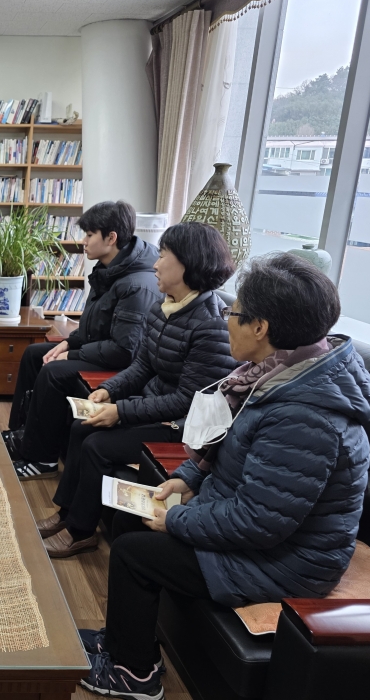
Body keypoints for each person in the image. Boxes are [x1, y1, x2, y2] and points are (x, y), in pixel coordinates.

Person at [75, 252, 370, 700]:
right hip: (257, 526)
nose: (225, 322)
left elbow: (261, 522)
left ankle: (135, 675)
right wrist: (187, 479)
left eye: (231, 314)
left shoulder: (304, 417)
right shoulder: (277, 373)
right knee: (129, 518)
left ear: (261, 328)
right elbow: (227, 446)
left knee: (134, 553)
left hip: (289, 560)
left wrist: (177, 519)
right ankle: (124, 643)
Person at [38, 222, 238, 559]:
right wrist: (109, 391)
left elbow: (188, 401)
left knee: (98, 445)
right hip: (154, 405)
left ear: (187, 264)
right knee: (81, 426)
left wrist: (121, 411)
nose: (155, 265)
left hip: (184, 425)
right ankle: (66, 514)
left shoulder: (211, 326)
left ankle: (80, 532)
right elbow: (142, 365)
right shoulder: (163, 305)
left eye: (163, 256)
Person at [5, 201, 162, 479]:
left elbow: (124, 351)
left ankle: (42, 460)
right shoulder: (109, 267)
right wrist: (69, 342)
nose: (84, 241)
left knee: (54, 371)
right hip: (102, 349)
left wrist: (73, 354)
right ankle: (24, 434)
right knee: (34, 353)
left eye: (89, 235)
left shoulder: (137, 284)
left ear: (111, 238)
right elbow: (94, 324)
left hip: (120, 363)